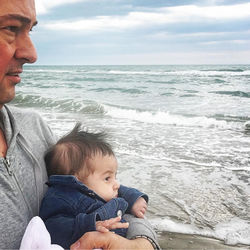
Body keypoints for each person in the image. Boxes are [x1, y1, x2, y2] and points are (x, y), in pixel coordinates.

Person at [0, 0, 159, 249]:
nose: (31, 54)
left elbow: (108, 195)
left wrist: (140, 244)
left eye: (29, 31)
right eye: (10, 28)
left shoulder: (35, 129)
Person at [40, 124, 149, 248]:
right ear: (76, 182)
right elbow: (53, 228)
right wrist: (89, 224)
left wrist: (134, 199)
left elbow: (121, 190)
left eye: (115, 176)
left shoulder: (98, 188)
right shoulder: (61, 198)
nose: (116, 184)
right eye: (107, 178)